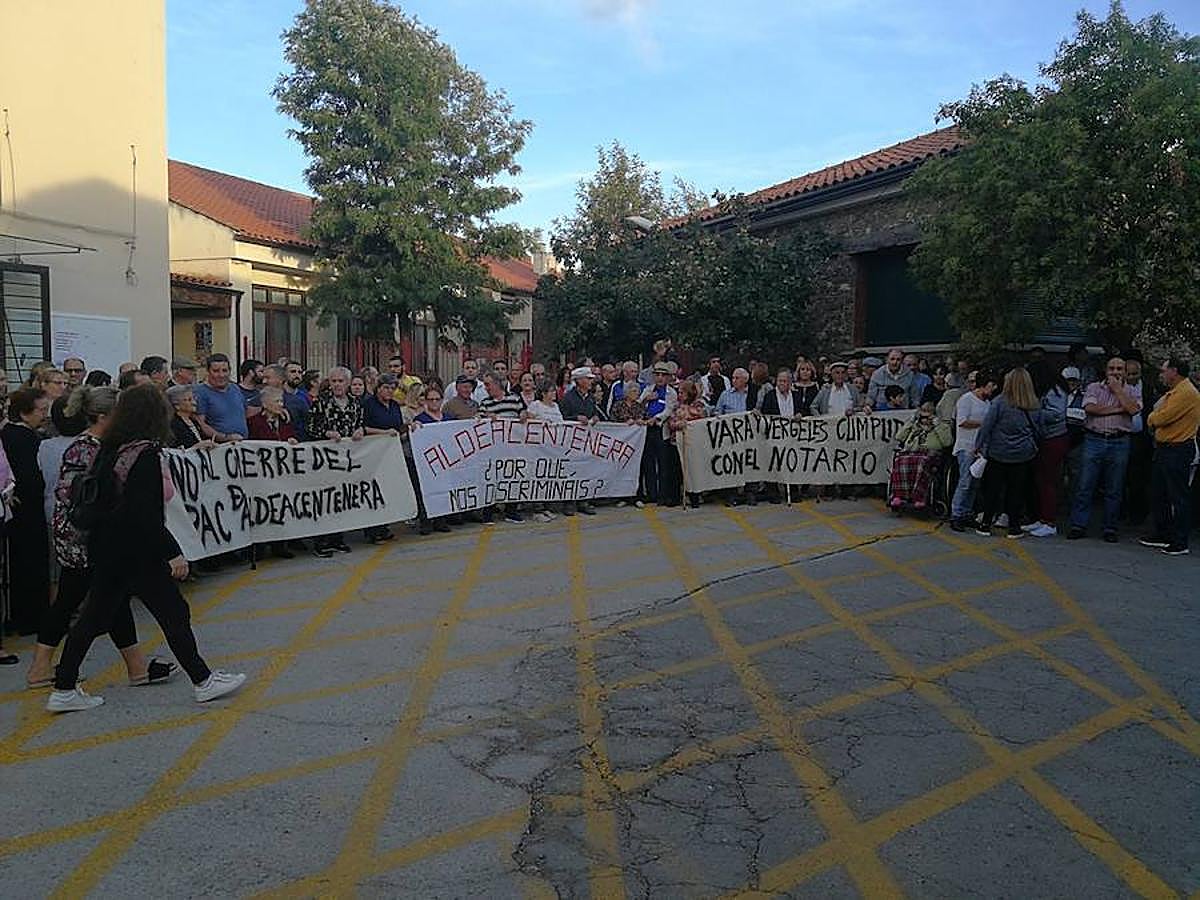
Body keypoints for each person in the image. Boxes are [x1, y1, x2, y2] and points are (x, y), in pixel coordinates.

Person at [46, 384, 247, 712]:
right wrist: (173, 551)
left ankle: (65, 686)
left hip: (106, 546)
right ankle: (203, 680)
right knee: (173, 613)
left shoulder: (112, 447)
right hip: (136, 551)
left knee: (94, 617)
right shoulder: (145, 455)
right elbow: (146, 515)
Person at [27, 386, 176, 689]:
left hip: (91, 534)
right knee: (77, 601)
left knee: (110, 600)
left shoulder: (104, 444)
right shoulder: (88, 447)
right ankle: (43, 668)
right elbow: (83, 496)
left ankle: (135, 667)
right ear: (102, 416)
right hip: (83, 536)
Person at [1068, 357, 1141, 543]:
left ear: (1124, 371)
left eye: (1119, 368)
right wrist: (1118, 409)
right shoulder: (1094, 387)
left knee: (1114, 488)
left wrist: (1118, 390)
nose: (1115, 372)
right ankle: (1078, 525)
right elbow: (1091, 409)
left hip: (1119, 442)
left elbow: (1133, 409)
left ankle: (1110, 528)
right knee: (1085, 485)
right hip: (1094, 439)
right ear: (1106, 370)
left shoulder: (1132, 391)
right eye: (1112, 368)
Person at [2, 388, 50, 635]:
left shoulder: (10, 434)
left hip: (17, 509)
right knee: (31, 564)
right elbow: (30, 477)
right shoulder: (23, 438)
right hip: (27, 510)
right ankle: (33, 618)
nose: (45, 415)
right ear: (24, 412)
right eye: (41, 410)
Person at [1140, 358, 1200, 556]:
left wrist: (1153, 417)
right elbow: (1158, 412)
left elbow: (1160, 417)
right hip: (1165, 448)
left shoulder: (1186, 392)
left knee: (1178, 496)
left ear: (1174, 371)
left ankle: (1180, 541)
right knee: (1159, 493)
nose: (1162, 374)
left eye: (1164, 370)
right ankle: (1163, 533)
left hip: (1179, 448)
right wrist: (1154, 416)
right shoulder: (1174, 392)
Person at [975, 368, 1043, 538]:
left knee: (993, 490)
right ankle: (1014, 526)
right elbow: (1038, 429)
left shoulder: (1000, 402)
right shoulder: (1034, 403)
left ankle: (985, 524)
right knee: (1016, 491)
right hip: (1022, 453)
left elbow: (987, 426)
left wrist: (978, 445)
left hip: (998, 452)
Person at [307, 366, 365, 556]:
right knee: (326, 499)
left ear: (348, 383)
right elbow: (310, 428)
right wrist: (326, 433)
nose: (337, 385)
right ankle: (321, 542)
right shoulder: (320, 403)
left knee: (342, 499)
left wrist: (360, 431)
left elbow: (360, 424)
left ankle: (337, 539)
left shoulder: (356, 403)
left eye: (341, 381)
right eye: (334, 381)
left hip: (348, 460)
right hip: (326, 459)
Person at [1027, 369, 1073, 537]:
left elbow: (1055, 414)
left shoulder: (1055, 392)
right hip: (1046, 438)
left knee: (1048, 481)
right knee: (1041, 479)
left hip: (1054, 438)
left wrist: (1034, 411)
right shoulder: (1049, 391)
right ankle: (1042, 518)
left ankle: (1050, 521)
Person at [949, 371, 997, 532]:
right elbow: (962, 422)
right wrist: (984, 424)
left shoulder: (988, 403)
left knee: (974, 484)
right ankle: (956, 514)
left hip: (981, 448)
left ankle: (966, 513)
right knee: (965, 482)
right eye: (991, 386)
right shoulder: (966, 399)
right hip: (966, 446)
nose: (993, 389)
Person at [360, 374, 406, 540]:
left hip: (390, 453)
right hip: (373, 452)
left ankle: (384, 525)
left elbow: (399, 426)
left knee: (387, 489)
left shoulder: (394, 405)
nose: (389, 391)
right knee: (374, 490)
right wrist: (384, 433)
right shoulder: (368, 405)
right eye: (386, 387)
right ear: (378, 388)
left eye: (392, 388)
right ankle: (372, 529)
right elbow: (363, 427)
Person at [888, 403, 953, 510]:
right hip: (912, 452)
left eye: (927, 417)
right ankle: (898, 495)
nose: (924, 420)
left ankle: (919, 497)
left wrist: (937, 425)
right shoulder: (915, 426)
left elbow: (947, 442)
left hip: (931, 454)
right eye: (922, 417)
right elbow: (899, 436)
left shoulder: (942, 426)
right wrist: (911, 422)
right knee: (899, 460)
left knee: (922, 462)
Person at [560, 367, 604, 516]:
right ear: (579, 381)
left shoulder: (590, 398)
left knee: (585, 469)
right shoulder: (568, 398)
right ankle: (569, 502)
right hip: (571, 441)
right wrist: (576, 419)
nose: (591, 381)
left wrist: (596, 417)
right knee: (571, 470)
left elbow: (594, 412)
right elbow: (562, 417)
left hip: (586, 441)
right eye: (588, 378)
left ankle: (583, 500)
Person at [638, 363, 677, 506]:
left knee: (663, 464)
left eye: (663, 375)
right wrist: (646, 399)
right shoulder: (648, 389)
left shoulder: (671, 392)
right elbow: (638, 405)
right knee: (648, 462)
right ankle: (651, 493)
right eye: (657, 375)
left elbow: (669, 410)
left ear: (667, 378)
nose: (660, 378)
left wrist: (656, 419)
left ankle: (663, 494)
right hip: (647, 429)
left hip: (661, 429)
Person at [666, 380, 708, 508]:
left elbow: (703, 421)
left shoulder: (699, 405)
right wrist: (678, 424)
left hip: (693, 444)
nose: (679, 395)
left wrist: (688, 422)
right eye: (679, 392)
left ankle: (694, 496)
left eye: (682, 392)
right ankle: (674, 497)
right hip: (676, 442)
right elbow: (670, 423)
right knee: (676, 471)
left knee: (692, 471)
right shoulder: (676, 406)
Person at [193, 353, 248, 443]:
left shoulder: (235, 388)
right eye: (216, 371)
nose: (221, 375)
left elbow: (244, 413)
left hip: (242, 445)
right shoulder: (200, 392)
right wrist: (225, 437)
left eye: (224, 370)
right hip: (219, 447)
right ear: (208, 371)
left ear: (230, 371)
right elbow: (200, 424)